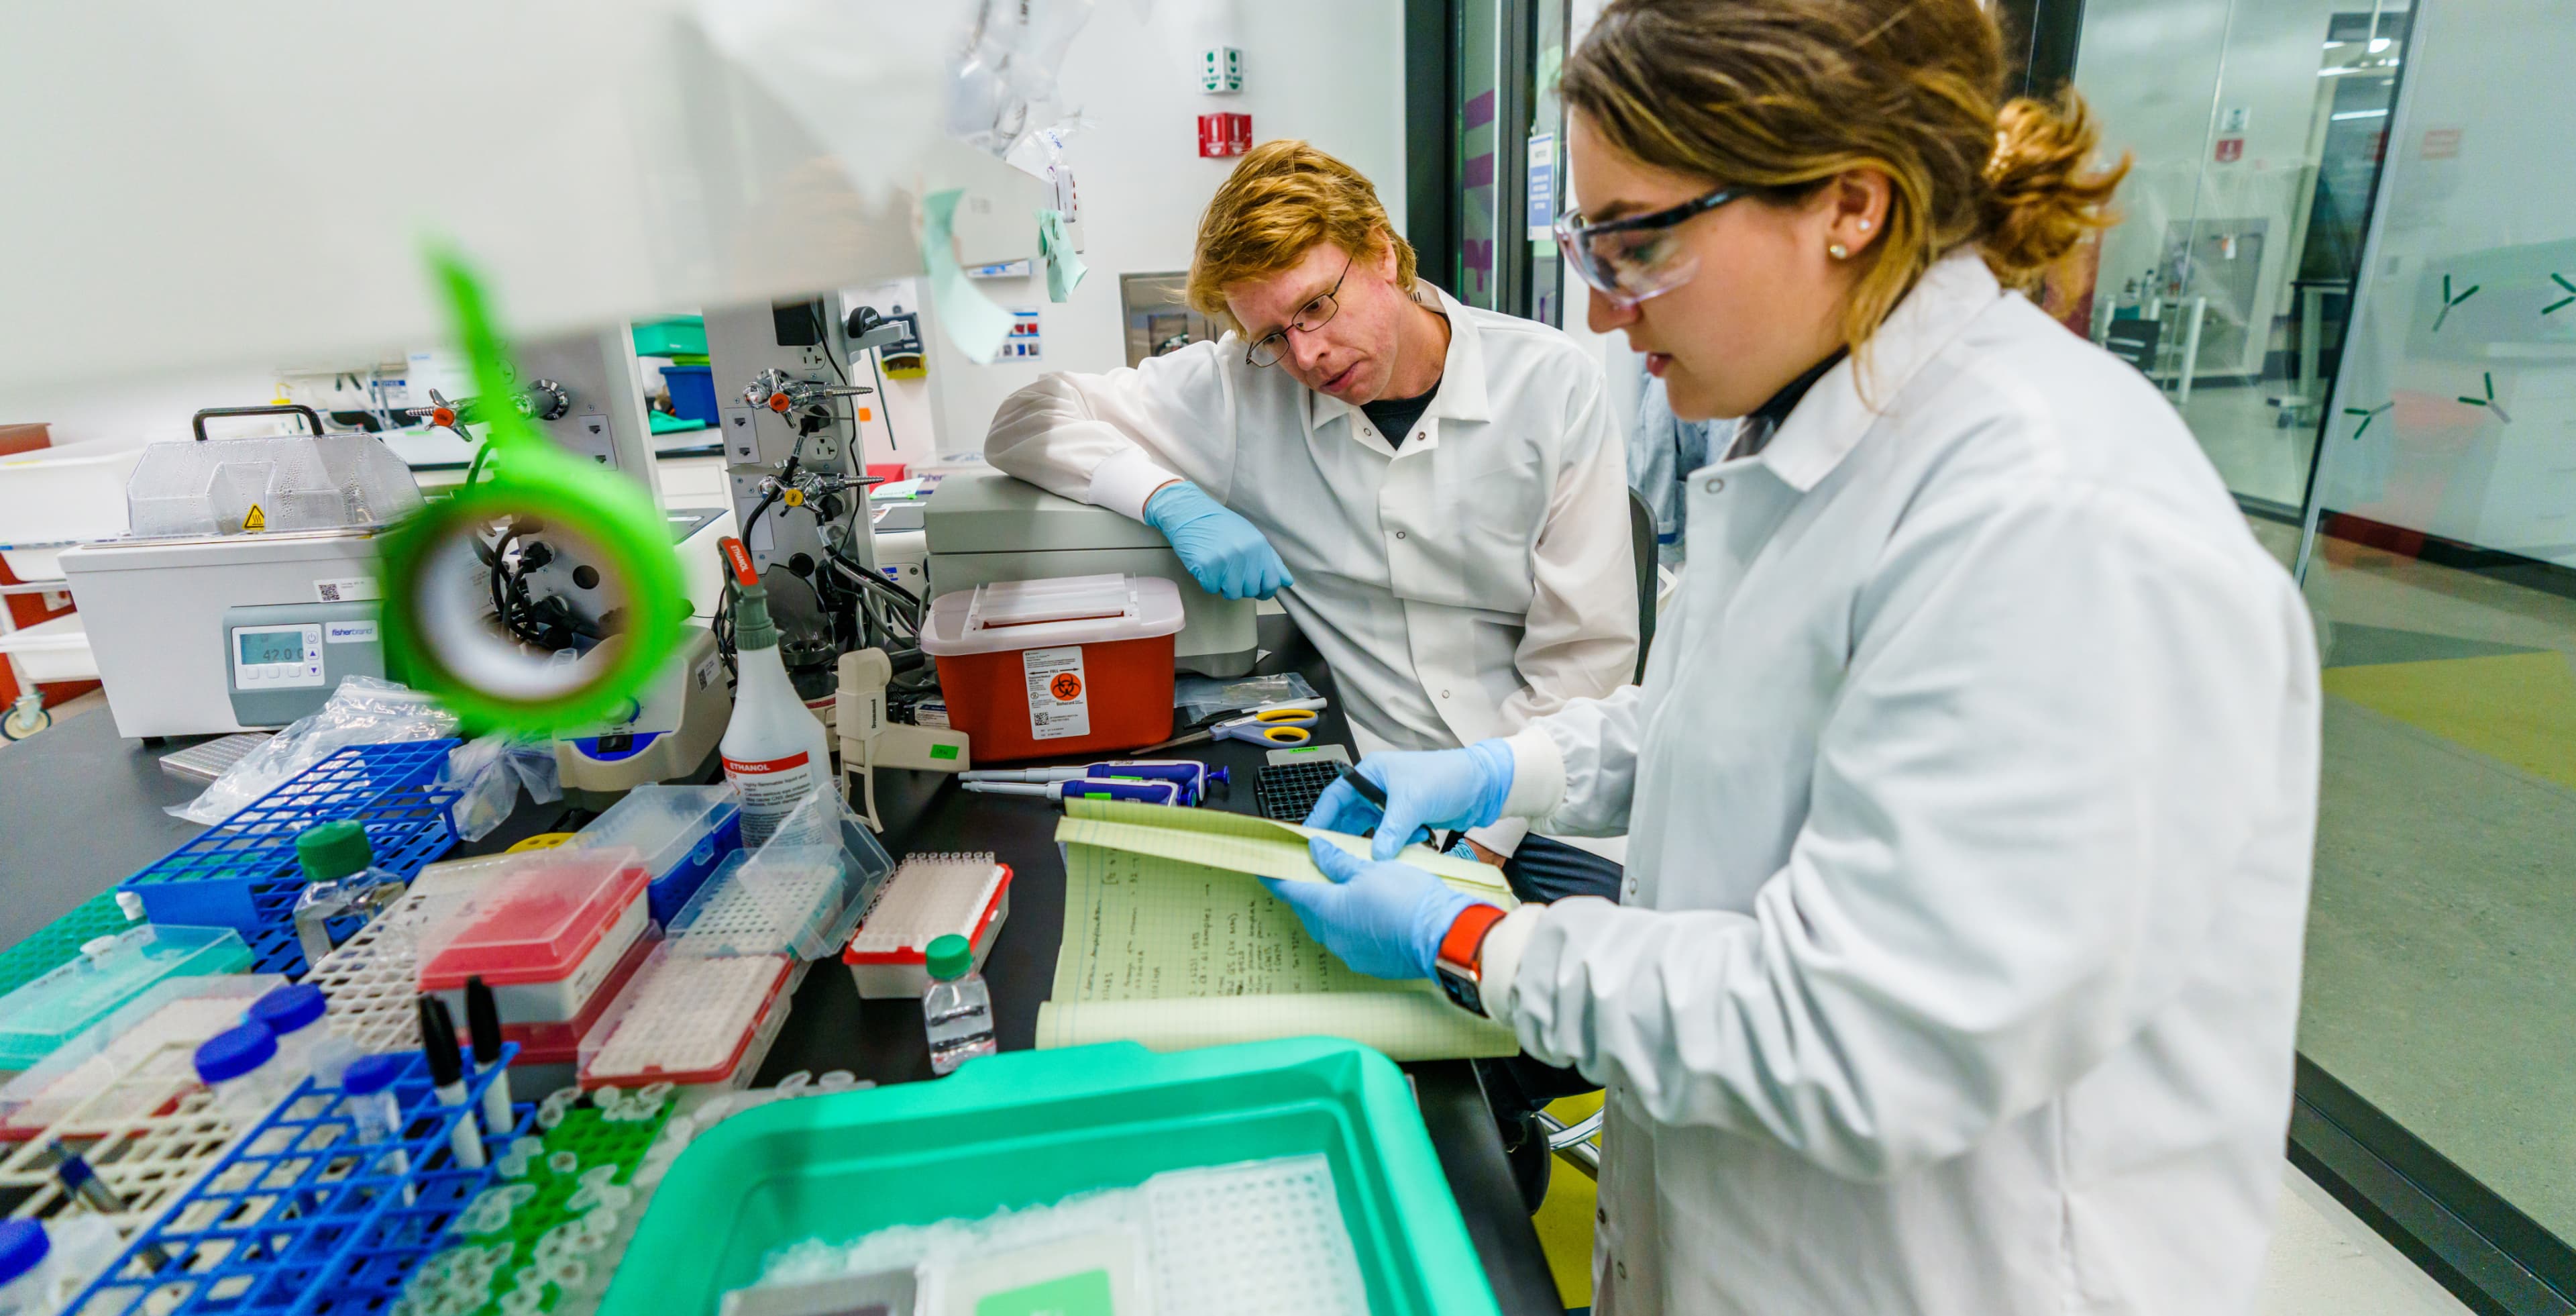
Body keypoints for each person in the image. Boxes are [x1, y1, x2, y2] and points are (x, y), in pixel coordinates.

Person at [1269, 1, 2324, 1311]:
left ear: (1852, 204)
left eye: (1639, 243)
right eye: (1590, 244)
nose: (1603, 311)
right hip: (1750, 1224)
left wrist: (1479, 940)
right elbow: (1714, 718)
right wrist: (1501, 769)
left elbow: (1866, 1029)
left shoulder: (2052, 518)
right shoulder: (1813, 435)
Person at [985, 139, 1638, 901]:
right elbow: (1026, 417)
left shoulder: (1551, 383)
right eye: (1271, 336)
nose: (1309, 356)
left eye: (1316, 306)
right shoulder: (1241, 388)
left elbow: (1584, 660)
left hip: (1540, 799)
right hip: (1374, 799)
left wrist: (1480, 843)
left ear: (1383, 253)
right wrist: (1166, 495)